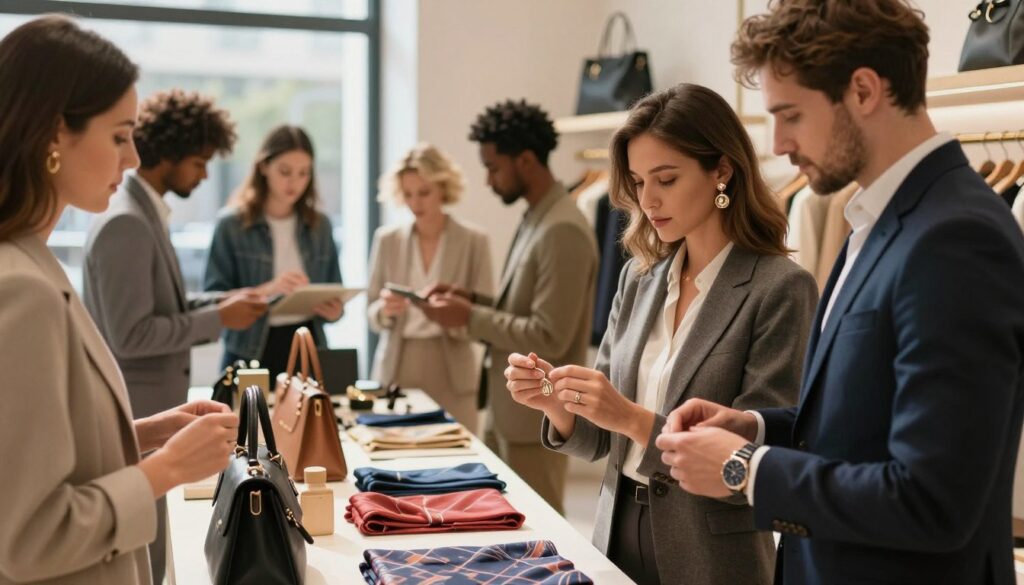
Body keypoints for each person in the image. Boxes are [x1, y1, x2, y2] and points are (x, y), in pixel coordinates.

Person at [656, 2, 1024, 584]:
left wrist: (745, 470)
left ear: (864, 91)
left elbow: (934, 499)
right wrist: (754, 427)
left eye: (790, 115)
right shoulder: (874, 221)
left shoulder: (957, 237)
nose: (778, 144)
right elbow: (862, 420)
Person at [503, 83, 818, 585]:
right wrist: (556, 404)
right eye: (637, 181)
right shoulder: (639, 277)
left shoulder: (780, 288)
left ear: (722, 170)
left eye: (666, 179)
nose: (647, 200)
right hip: (615, 535)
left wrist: (631, 418)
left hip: (713, 559)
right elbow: (599, 440)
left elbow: (752, 465)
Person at [0, 16, 239, 585]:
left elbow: (39, 459)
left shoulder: (34, 262)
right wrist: (167, 468)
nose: (132, 159)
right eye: (118, 136)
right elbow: (28, 535)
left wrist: (144, 433)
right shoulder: (22, 288)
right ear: (54, 134)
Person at [83, 88, 262, 584]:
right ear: (170, 152)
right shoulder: (126, 222)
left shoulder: (143, 213)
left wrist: (227, 302)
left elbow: (165, 307)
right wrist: (221, 319)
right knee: (146, 558)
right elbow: (131, 334)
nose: (204, 175)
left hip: (150, 412)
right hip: (138, 411)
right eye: (199, 162)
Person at [419, 99, 598, 512]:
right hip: (511, 413)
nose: (488, 180)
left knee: (539, 531)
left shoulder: (563, 228)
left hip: (536, 419)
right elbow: (521, 309)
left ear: (527, 160)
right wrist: (471, 300)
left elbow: (549, 335)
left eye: (493, 167)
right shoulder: (538, 216)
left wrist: (468, 316)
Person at [367, 143, 494, 431]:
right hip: (398, 364)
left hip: (452, 366)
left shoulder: (474, 241)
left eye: (424, 192)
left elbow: (486, 313)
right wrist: (385, 310)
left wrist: (453, 313)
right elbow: (371, 312)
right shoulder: (387, 240)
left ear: (443, 188)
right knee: (395, 448)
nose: (416, 203)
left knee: (459, 450)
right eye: (408, 194)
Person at [205, 125, 344, 381]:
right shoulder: (232, 225)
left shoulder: (320, 226)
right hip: (249, 347)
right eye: (285, 171)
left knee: (311, 408)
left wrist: (335, 311)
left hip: (307, 344)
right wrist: (268, 290)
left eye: (303, 173)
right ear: (263, 167)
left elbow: (335, 290)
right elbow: (213, 299)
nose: (294, 182)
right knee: (247, 409)